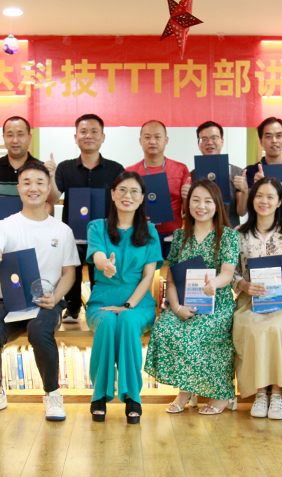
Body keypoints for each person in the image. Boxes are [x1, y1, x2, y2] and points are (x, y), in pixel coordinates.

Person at [0, 163, 80, 420]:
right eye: (27, 182)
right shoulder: (5, 226)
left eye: (40, 182)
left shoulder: (62, 230)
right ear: (18, 188)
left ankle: (52, 394)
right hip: (12, 300)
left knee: (39, 330)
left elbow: (69, 273)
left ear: (48, 188)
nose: (34, 188)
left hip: (48, 301)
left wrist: (56, 297)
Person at [145, 179, 239, 415]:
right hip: (184, 302)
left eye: (208, 201)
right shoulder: (179, 236)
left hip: (217, 304)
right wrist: (176, 307)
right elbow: (171, 277)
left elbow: (228, 273)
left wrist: (213, 284)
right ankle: (185, 390)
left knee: (196, 333)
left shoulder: (228, 236)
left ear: (217, 205)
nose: (201, 206)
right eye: (195, 200)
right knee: (165, 328)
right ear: (187, 205)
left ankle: (221, 394)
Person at [86, 172, 163, 424]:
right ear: (112, 194)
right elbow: (98, 255)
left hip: (139, 303)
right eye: (122, 190)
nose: (127, 195)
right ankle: (99, 394)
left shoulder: (150, 231)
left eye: (134, 191)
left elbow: (148, 276)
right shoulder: (97, 226)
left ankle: (132, 396)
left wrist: (128, 305)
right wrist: (105, 266)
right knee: (108, 322)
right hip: (102, 300)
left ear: (141, 198)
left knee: (128, 321)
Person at [230, 177, 282, 420]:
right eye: (259, 196)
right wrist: (243, 285)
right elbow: (231, 271)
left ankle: (277, 393)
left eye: (270, 197)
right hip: (250, 301)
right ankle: (260, 393)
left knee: (275, 328)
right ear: (252, 199)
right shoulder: (239, 234)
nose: (264, 201)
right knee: (254, 328)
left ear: (280, 202)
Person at [51, 114, 125, 323]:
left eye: (94, 131)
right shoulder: (65, 168)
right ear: (76, 137)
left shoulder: (115, 169)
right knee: (71, 262)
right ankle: (72, 307)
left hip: (105, 235)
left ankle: (97, 306)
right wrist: (50, 176)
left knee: (100, 265)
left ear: (103, 137)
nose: (88, 136)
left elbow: (122, 198)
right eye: (83, 132)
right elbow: (53, 198)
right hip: (72, 235)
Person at [0, 116, 56, 229]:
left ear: (29, 137)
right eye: (10, 135)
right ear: (4, 137)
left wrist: (52, 177)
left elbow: (51, 202)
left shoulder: (40, 169)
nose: (15, 140)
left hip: (31, 233)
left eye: (20, 134)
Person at [125, 120, 192, 259]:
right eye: (147, 137)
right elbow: (122, 208)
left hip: (172, 238)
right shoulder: (129, 172)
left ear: (166, 140)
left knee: (179, 265)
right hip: (139, 235)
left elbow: (188, 212)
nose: (152, 141)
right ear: (140, 141)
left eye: (157, 137)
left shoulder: (181, 169)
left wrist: (187, 198)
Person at [246, 117, 282, 221]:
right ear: (261, 141)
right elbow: (244, 210)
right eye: (268, 136)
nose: (274, 140)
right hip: (258, 228)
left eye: (279, 136)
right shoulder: (250, 172)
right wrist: (254, 188)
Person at [196, 120, 248, 227]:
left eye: (214, 138)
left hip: (230, 230)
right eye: (204, 139)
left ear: (222, 141)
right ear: (198, 144)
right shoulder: (193, 174)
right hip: (201, 231)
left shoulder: (238, 173)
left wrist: (245, 191)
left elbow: (242, 212)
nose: (209, 142)